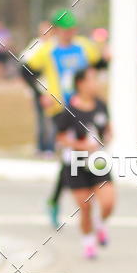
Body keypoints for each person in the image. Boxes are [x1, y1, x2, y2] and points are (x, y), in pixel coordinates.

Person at [19, 9, 106, 223]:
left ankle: (60, 200)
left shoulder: (84, 46)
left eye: (72, 29)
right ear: (56, 30)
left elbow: (99, 64)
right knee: (74, 152)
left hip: (84, 107)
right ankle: (72, 201)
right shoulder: (47, 50)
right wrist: (41, 94)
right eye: (65, 30)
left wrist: (105, 60)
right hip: (61, 109)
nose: (69, 33)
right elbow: (25, 71)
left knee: (73, 156)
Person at [54, 67, 115, 259]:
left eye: (96, 80)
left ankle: (100, 223)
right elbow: (61, 138)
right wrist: (79, 145)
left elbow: (106, 129)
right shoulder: (69, 110)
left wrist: (108, 136)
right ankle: (88, 243)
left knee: (108, 202)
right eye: (91, 80)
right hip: (75, 164)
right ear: (80, 83)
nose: (95, 84)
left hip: (97, 162)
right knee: (85, 206)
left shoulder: (101, 105)